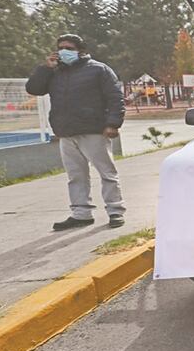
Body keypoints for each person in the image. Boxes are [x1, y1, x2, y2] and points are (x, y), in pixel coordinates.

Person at [25, 34, 127, 230]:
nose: (63, 51)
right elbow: (34, 88)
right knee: (75, 175)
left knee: (107, 173)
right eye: (60, 48)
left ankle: (115, 211)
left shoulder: (99, 69)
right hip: (66, 132)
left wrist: (113, 124)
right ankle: (81, 214)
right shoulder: (55, 73)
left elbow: (115, 98)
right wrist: (47, 68)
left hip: (94, 131)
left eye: (68, 48)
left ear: (81, 50)